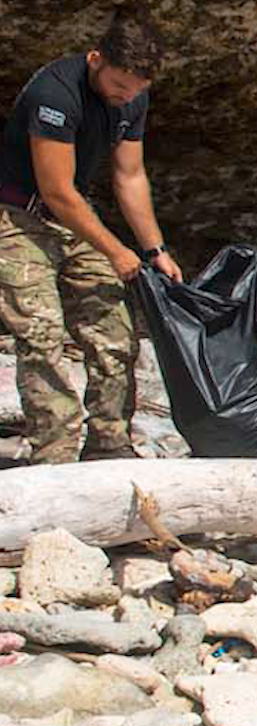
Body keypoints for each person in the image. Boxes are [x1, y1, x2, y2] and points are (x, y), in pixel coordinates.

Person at [0, 7, 179, 465]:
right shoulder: (55, 93)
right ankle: (54, 454)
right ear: (96, 58)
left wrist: (153, 249)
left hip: (72, 217)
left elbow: (130, 175)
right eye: (120, 86)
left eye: (138, 89)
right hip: (18, 215)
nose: (127, 97)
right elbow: (56, 191)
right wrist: (116, 250)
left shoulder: (131, 96)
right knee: (40, 335)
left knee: (113, 330)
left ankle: (109, 444)